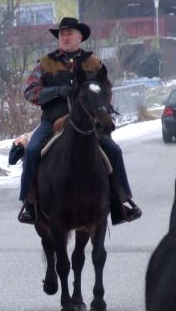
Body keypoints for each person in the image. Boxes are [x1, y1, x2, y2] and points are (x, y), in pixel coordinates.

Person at [17, 17, 142, 225]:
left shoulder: (94, 63)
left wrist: (98, 110)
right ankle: (29, 203)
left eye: (69, 33)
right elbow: (30, 92)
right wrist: (56, 91)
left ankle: (121, 201)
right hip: (53, 121)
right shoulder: (45, 63)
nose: (64, 37)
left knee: (114, 150)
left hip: (87, 123)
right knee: (32, 151)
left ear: (79, 37)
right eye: (61, 34)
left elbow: (106, 91)